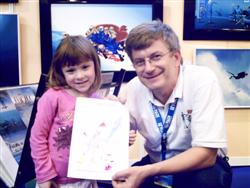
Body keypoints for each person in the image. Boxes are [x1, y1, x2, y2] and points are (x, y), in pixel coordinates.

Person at [112, 20, 232, 188]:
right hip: (156, 163)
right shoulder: (134, 87)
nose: (148, 68)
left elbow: (206, 154)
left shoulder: (202, 80)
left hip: (201, 167)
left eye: (156, 57)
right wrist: (109, 115)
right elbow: (116, 135)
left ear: (176, 57)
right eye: (140, 62)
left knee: (206, 183)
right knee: (117, 181)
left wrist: (147, 171)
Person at [30, 35, 102, 188]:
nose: (80, 76)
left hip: (88, 178)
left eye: (85, 67)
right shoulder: (52, 97)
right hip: (57, 182)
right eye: (71, 70)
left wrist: (121, 137)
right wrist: (44, 175)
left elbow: (100, 137)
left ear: (95, 65)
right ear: (61, 72)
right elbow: (37, 137)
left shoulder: (97, 99)